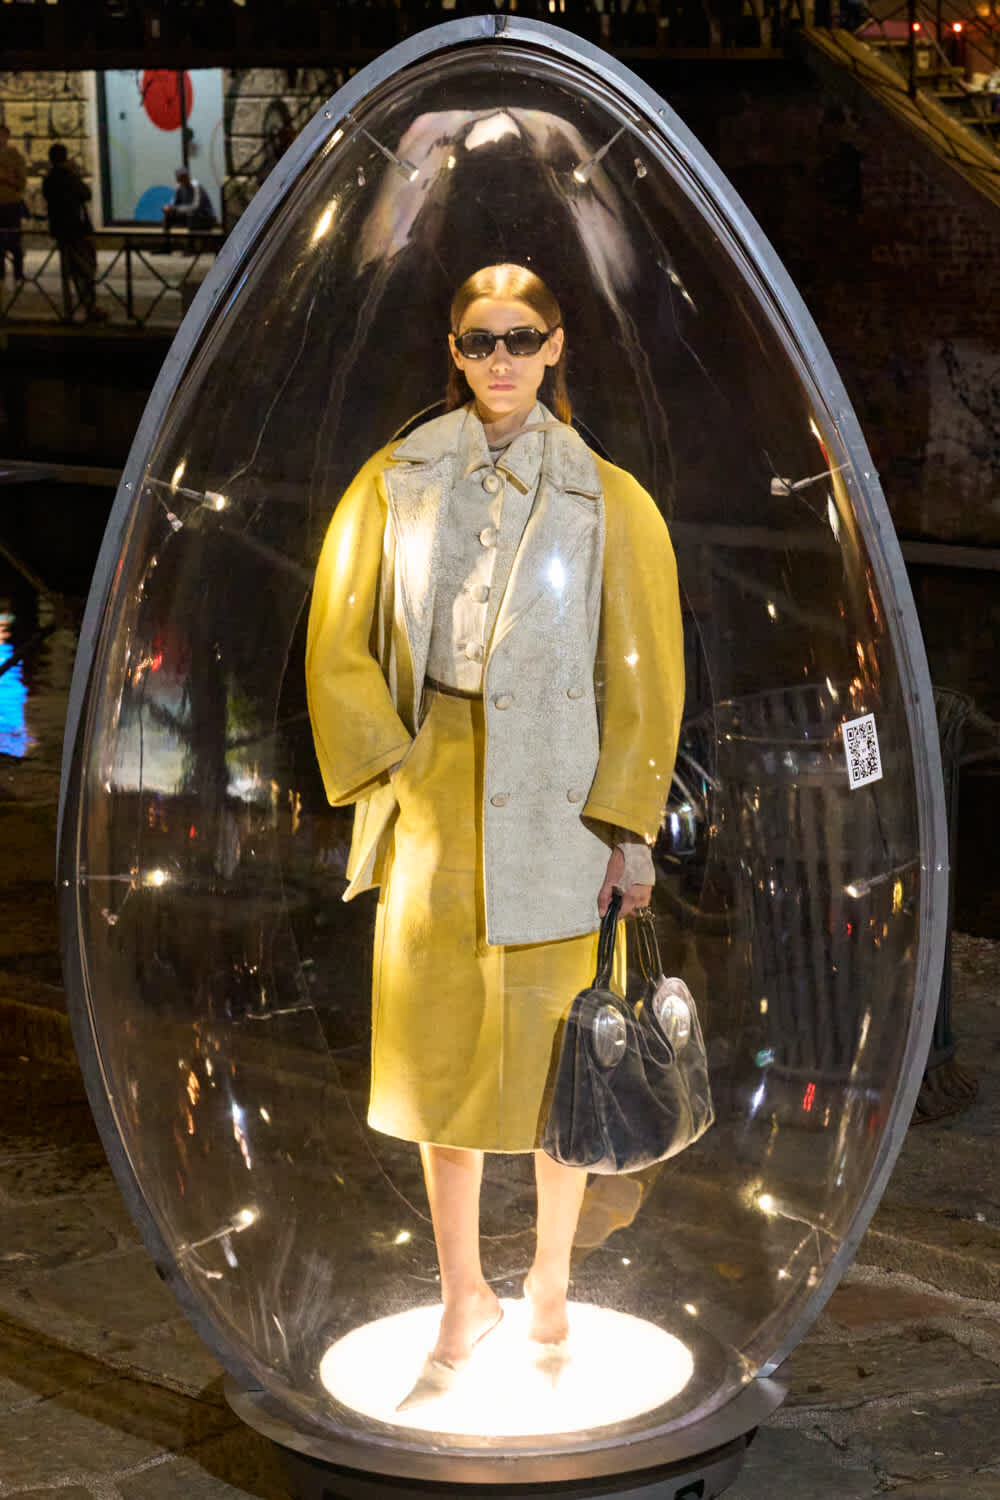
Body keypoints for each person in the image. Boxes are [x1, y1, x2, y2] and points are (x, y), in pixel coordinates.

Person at [306, 263, 684, 1402]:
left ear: (558, 344)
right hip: (437, 800)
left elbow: (647, 672)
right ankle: (464, 1288)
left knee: (560, 1062)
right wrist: (397, 761)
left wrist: (627, 826)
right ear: (454, 349)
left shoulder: (610, 499)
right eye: (481, 341)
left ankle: (556, 1277)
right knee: (440, 1061)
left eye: (523, 337)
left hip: (562, 806)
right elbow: (336, 636)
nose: (502, 359)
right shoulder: (394, 481)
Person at [42, 144, 105, 322]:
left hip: (60, 229)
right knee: (86, 269)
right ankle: (89, 307)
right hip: (77, 229)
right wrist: (75, 173)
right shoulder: (70, 177)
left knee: (69, 270)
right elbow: (86, 194)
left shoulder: (48, 179)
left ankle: (69, 309)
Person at [0, 125, 27, 285]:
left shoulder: (15, 156)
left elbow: (21, 182)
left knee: (15, 241)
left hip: (11, 204)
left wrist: (7, 178)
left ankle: (18, 274)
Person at [161, 167, 216, 243]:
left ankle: (191, 246)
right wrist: (168, 208)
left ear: (188, 176)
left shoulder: (196, 187)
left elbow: (196, 207)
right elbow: (174, 204)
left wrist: (175, 209)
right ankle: (166, 245)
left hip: (204, 217)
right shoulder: (179, 187)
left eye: (184, 176)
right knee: (168, 215)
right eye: (180, 177)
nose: (183, 179)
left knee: (191, 215)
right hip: (188, 216)